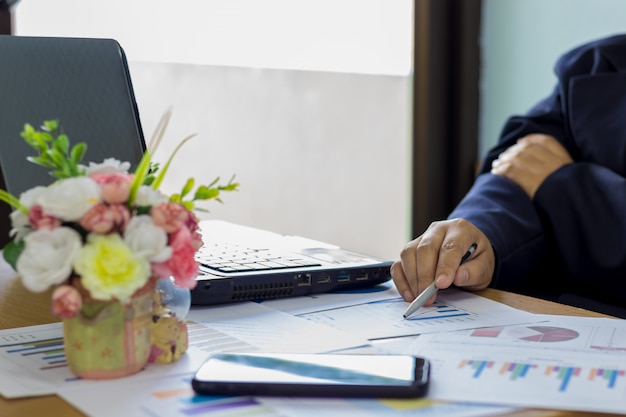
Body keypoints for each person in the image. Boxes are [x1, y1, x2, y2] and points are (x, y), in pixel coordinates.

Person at [391, 33, 626, 318]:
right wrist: (481, 237)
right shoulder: (598, 62)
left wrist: (561, 187)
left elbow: (537, 173)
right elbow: (516, 163)